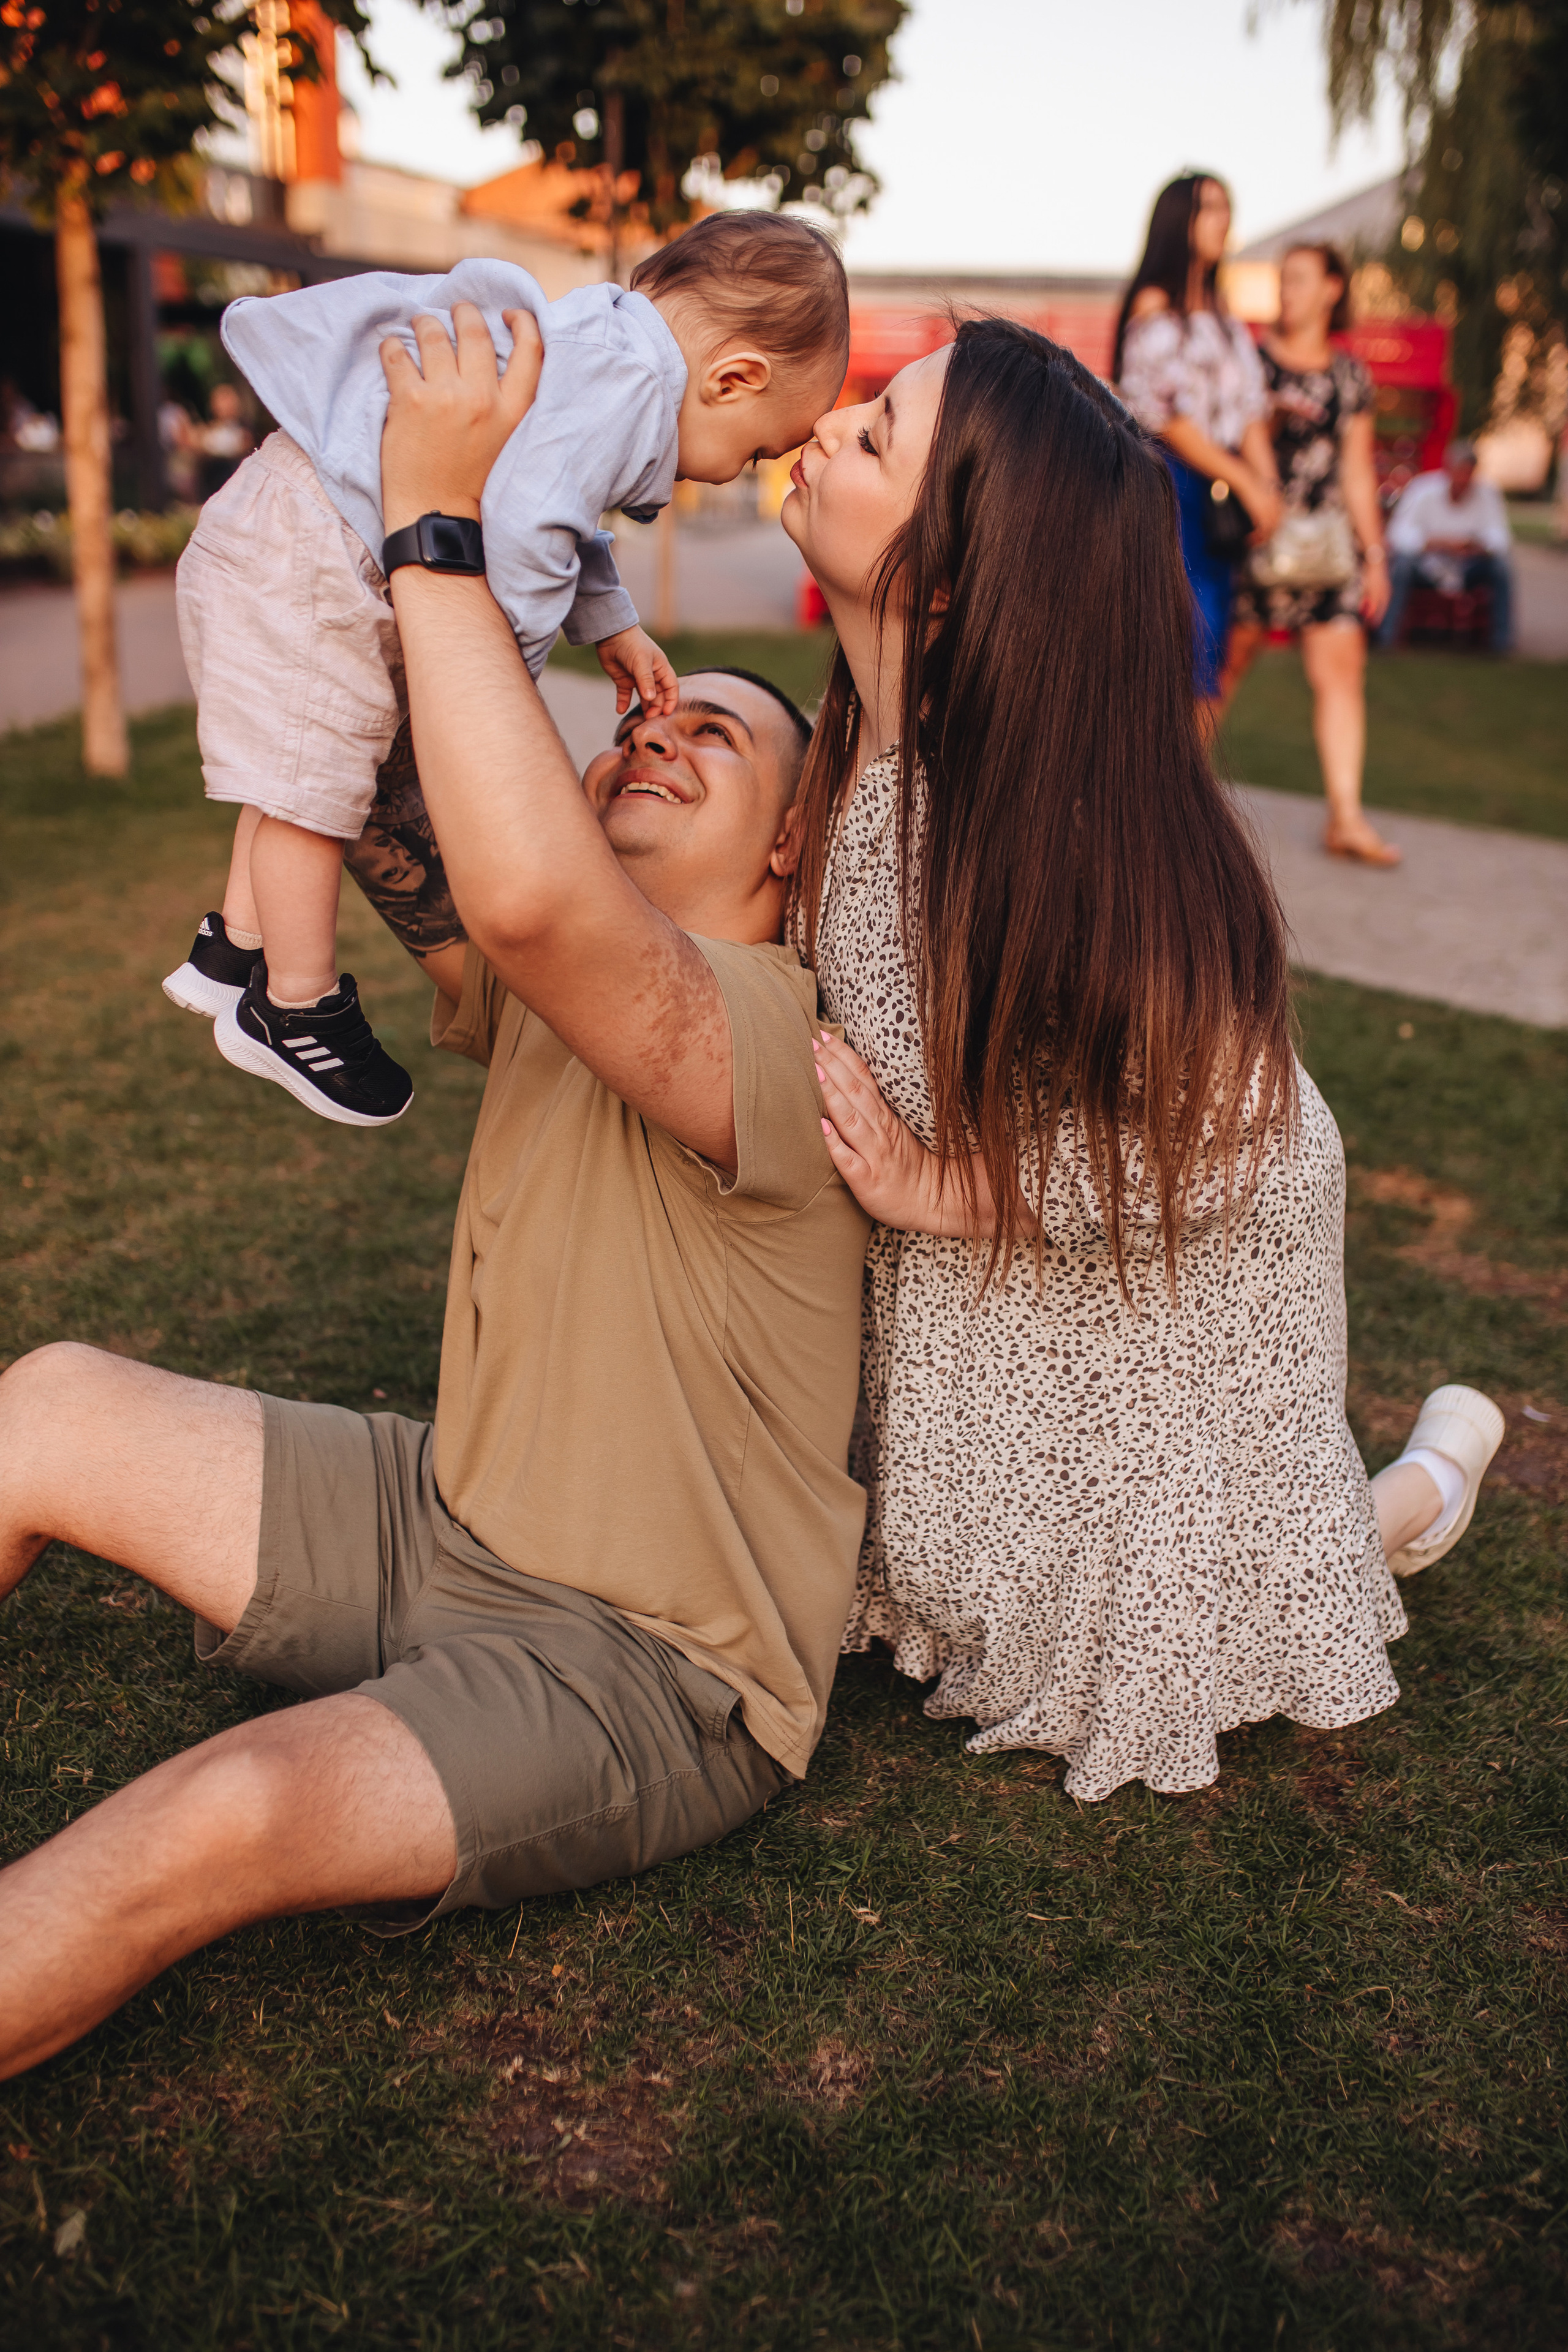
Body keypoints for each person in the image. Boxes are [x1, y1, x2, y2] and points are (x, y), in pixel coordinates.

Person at [0, 306, 869, 2081]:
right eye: (643, 725)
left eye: (719, 737)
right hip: (446, 1515)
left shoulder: (775, 1038)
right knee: (51, 1408)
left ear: (793, 849)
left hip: (641, 1663)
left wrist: (437, 515)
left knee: (222, 1811)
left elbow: (545, 902)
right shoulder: (543, 972)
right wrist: (340, 521)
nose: (656, 739)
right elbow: (416, 806)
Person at [778, 315, 1505, 1801]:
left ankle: (1432, 1471)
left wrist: (935, 1183)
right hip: (1031, 1236)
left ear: (955, 565)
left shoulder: (1050, 823)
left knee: (1217, 1582)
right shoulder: (856, 748)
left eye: (872, 435)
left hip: (1185, 1243)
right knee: (972, 1557)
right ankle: (1358, 1495)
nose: (824, 430)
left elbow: (1227, 1134)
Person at [163, 213, 850, 1129]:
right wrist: (495, 683)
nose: (739, 474)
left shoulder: (603, 346)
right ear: (735, 379)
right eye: (762, 450)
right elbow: (529, 529)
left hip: (299, 522)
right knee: (312, 787)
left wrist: (611, 620)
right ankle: (296, 1001)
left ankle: (234, 954)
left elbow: (553, 506)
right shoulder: (629, 384)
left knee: (299, 772)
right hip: (318, 547)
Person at [1226, 242, 1401, 867]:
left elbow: (1358, 472)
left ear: (1332, 289)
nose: (1286, 290)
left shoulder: (1351, 375)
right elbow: (1231, 445)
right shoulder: (1249, 362)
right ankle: (1160, 799)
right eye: (1282, 279)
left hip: (1328, 552)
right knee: (1222, 669)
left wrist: (1374, 555)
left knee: (1341, 675)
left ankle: (1346, 817)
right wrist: (1266, 418)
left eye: (1299, 279)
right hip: (1260, 539)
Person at [1114, 172, 1282, 713]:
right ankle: (1155, 792)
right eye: (1209, 207)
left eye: (1226, 206)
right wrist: (1246, 481)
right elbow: (1169, 418)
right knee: (1179, 652)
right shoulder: (1154, 307)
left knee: (1214, 656)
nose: (1223, 219)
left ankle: (1182, 792)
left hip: (1220, 500)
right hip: (1173, 491)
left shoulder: (1225, 317)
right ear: (1179, 219)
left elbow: (1250, 408)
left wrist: (1267, 485)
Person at [1377, 437, 1514, 654]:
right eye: (1459, 472)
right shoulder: (1423, 489)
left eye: (1468, 474)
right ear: (1448, 470)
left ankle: (1501, 643)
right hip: (1427, 565)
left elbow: (1500, 539)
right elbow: (1399, 535)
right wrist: (1438, 543)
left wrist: (1474, 546)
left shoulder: (1488, 494)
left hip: (1469, 566)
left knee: (1501, 567)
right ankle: (1386, 636)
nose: (1463, 480)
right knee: (1401, 565)